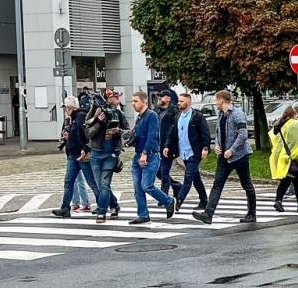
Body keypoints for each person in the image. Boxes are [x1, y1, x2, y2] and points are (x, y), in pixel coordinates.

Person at [192, 90, 256, 224]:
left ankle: (251, 213)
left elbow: (243, 134)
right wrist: (217, 145)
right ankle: (208, 214)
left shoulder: (237, 114)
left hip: (240, 155)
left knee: (246, 184)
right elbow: (218, 133)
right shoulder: (221, 115)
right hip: (223, 156)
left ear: (222, 100)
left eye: (216, 100)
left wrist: (232, 150)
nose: (215, 103)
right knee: (217, 184)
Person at [127, 90, 175, 225]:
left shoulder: (152, 116)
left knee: (146, 185)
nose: (133, 104)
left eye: (135, 101)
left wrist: (145, 153)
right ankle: (143, 214)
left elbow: (152, 136)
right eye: (133, 101)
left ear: (144, 102)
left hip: (150, 155)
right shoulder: (139, 118)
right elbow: (137, 135)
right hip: (138, 155)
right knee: (138, 188)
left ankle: (168, 201)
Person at [50, 95, 98, 219]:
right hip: (73, 154)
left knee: (91, 181)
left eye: (66, 107)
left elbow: (86, 135)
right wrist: (67, 138)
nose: (65, 110)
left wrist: (85, 149)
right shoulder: (73, 118)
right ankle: (65, 207)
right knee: (69, 181)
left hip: (81, 154)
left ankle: (106, 204)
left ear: (69, 107)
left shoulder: (81, 116)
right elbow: (76, 135)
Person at [87, 87, 126, 222]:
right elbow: (88, 133)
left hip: (111, 154)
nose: (117, 98)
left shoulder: (119, 113)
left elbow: (127, 131)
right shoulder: (95, 112)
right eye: (115, 96)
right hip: (96, 153)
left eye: (117, 96)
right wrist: (99, 122)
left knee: (104, 184)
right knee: (101, 185)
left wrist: (118, 131)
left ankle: (102, 212)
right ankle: (114, 205)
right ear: (108, 98)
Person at [172, 90, 212, 213]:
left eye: (181, 101)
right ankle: (204, 200)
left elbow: (205, 133)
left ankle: (179, 200)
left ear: (188, 102)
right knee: (196, 178)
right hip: (183, 151)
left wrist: (205, 147)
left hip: (194, 152)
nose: (179, 103)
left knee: (188, 177)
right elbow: (174, 133)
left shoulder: (197, 116)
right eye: (178, 101)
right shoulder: (178, 116)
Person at [271, 104, 298, 213]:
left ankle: (278, 201)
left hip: (282, 157)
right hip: (294, 157)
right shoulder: (294, 125)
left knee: (284, 182)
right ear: (295, 114)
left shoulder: (280, 125)